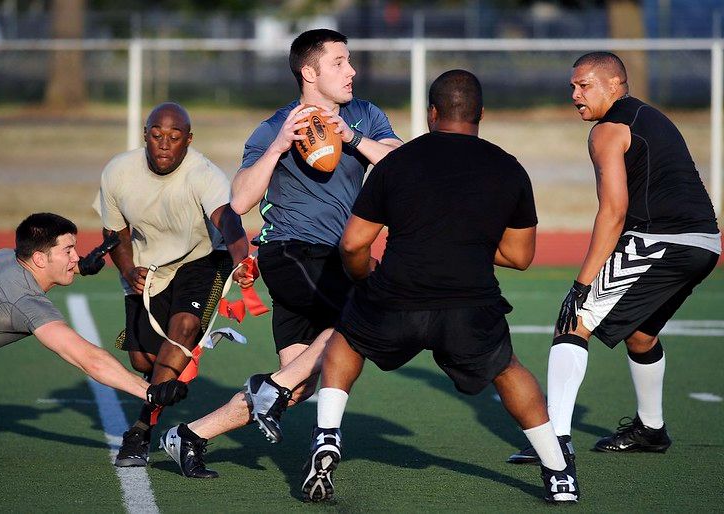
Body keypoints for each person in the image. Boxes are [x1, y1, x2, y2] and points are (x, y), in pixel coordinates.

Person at [299, 69, 579, 504]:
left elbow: (354, 243)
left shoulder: (397, 162)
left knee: (346, 340)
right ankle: (559, 473)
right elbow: (521, 257)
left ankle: (327, 437)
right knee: (507, 369)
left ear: (432, 114)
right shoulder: (509, 168)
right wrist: (463, 244)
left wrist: (361, 278)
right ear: (481, 114)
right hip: (470, 305)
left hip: (396, 294)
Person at [159, 28, 402, 478]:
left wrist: (350, 138)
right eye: (340, 62)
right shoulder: (275, 125)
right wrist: (277, 148)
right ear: (309, 72)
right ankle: (273, 394)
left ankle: (189, 436)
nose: (352, 71)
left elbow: (400, 164)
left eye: (350, 62)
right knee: (362, 320)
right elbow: (238, 201)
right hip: (291, 253)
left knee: (299, 383)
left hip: (336, 259)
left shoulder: (365, 115)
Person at [508, 52, 720, 465]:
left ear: (614, 85)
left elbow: (613, 211)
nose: (574, 95)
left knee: (574, 319)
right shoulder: (650, 117)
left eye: (583, 85)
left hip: (663, 239)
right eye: (572, 86)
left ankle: (556, 441)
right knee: (639, 333)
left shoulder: (608, 129)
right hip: (706, 244)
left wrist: (582, 283)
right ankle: (651, 430)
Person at [0, 213, 188, 478]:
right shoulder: (25, 303)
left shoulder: (6, 257)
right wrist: (150, 391)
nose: (75, 256)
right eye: (68, 251)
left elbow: (41, 269)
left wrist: (81, 266)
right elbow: (88, 358)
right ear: (39, 258)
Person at [97, 102, 253, 468]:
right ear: (146, 135)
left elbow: (229, 222)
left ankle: (140, 431)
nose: (164, 144)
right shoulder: (118, 172)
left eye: (174, 137)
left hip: (202, 260)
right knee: (144, 360)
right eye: (156, 135)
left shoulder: (204, 173)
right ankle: (166, 376)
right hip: (147, 267)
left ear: (188, 139)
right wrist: (127, 268)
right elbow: (114, 233)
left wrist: (242, 257)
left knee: (183, 329)